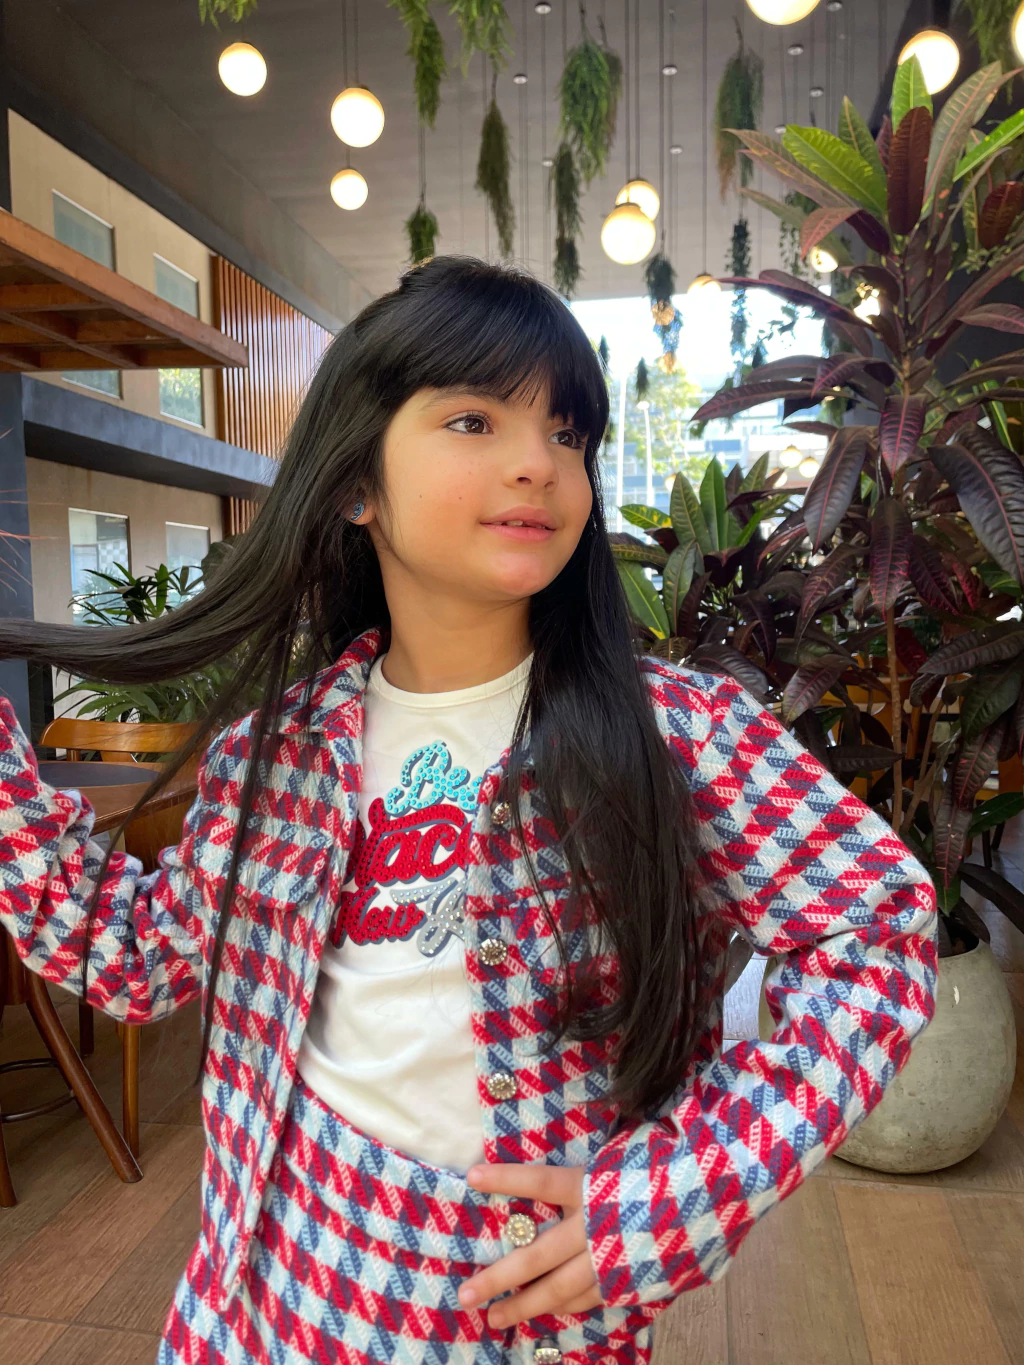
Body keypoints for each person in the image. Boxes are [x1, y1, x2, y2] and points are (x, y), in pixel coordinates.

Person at [0, 256, 937, 1365]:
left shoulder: (675, 735)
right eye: (474, 420)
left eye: (568, 432)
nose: (539, 462)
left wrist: (677, 1191)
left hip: (517, 1325)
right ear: (355, 483)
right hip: (261, 1308)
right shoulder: (273, 754)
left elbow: (879, 932)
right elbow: (134, 960)